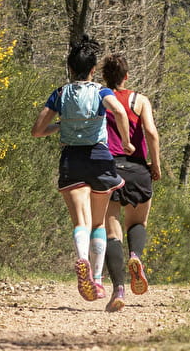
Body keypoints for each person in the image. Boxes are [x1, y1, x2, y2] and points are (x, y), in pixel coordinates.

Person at [31, 34, 131, 312]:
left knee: (80, 222)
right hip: (99, 158)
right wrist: (125, 141)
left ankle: (80, 257)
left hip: (71, 160)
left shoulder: (60, 94)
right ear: (93, 69)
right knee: (99, 224)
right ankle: (97, 280)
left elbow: (37, 130)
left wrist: (61, 128)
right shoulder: (101, 92)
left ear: (70, 68)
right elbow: (120, 113)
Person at [99, 53, 162, 300]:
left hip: (108, 169)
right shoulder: (140, 100)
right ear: (127, 76)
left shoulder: (101, 98)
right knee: (136, 224)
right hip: (137, 168)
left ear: (105, 76)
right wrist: (155, 166)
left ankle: (118, 290)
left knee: (110, 231)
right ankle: (135, 256)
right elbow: (152, 133)